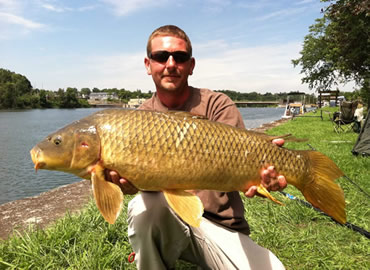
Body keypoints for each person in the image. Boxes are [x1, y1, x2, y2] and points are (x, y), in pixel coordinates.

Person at [108, 25, 287, 269]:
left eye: (179, 58)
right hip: (168, 220)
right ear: (148, 64)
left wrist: (264, 177)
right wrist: (125, 186)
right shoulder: (139, 120)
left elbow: (245, 160)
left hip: (220, 225)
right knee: (142, 207)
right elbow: (132, 185)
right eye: (161, 56)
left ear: (191, 65)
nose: (171, 64)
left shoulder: (217, 104)